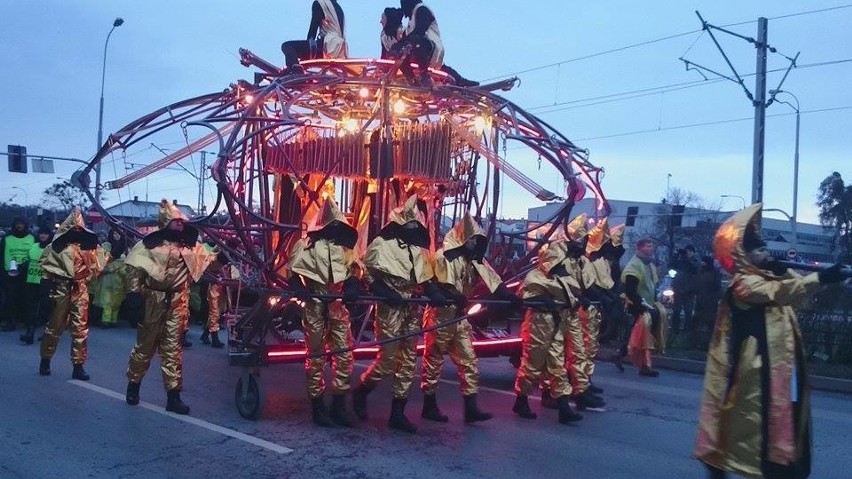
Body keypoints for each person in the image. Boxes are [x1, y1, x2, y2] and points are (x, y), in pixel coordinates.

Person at [694, 203, 846, 479]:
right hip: (759, 373)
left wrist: (789, 272)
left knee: (788, 415)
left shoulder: (767, 279)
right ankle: (749, 464)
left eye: (765, 249)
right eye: (759, 251)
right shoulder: (743, 284)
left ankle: (785, 463)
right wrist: (820, 276)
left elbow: (794, 297)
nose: (766, 254)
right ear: (743, 256)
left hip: (784, 367)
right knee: (761, 423)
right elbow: (777, 292)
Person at [352, 194, 449, 433]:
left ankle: (398, 413)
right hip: (389, 309)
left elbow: (425, 277)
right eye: (410, 224)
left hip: (410, 308)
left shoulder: (418, 249)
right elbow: (370, 275)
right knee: (387, 360)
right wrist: (385, 292)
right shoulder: (381, 245)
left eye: (416, 225)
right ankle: (362, 391)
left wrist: (433, 292)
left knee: (408, 362)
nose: (413, 228)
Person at [420, 214, 518, 424]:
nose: (475, 243)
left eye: (477, 240)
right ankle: (429, 405)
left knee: (469, 361)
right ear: (463, 238)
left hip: (460, 318)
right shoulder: (441, 256)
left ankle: (471, 407)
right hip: (440, 316)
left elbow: (493, 281)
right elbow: (439, 284)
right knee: (434, 361)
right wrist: (452, 295)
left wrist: (511, 297)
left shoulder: (474, 261)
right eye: (472, 239)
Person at [123, 200, 218, 415]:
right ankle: (133, 386)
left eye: (180, 221)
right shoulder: (148, 244)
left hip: (177, 300)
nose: (178, 224)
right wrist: (134, 296)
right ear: (165, 221)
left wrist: (222, 253)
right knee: (144, 347)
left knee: (173, 350)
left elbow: (210, 262)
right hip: (152, 299)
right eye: (174, 220)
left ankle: (173, 397)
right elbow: (134, 271)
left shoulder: (190, 245)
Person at [288, 199, 361, 427]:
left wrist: (352, 285)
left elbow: (354, 270)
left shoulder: (345, 248)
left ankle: (339, 404)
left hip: (338, 306)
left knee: (345, 354)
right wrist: (299, 288)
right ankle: (318, 406)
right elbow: (293, 270)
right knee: (316, 356)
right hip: (315, 307)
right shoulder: (306, 245)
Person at [512, 235, 584, 425]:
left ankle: (564, 407)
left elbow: (574, 294)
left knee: (557, 365)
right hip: (538, 324)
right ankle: (521, 400)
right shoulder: (535, 276)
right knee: (532, 365)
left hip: (557, 324)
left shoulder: (562, 277)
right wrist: (543, 301)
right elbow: (523, 296)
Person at [38, 208, 108, 379]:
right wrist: (46, 293)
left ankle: (78, 366)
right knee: (54, 327)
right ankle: (45, 361)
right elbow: (45, 272)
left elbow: (101, 262)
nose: (76, 231)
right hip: (60, 289)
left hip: (80, 289)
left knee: (80, 330)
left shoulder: (90, 248)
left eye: (79, 228)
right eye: (73, 228)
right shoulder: (54, 247)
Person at [381, 5, 478, 87]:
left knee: (439, 67)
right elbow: (384, 57)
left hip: (418, 61)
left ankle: (460, 82)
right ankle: (415, 83)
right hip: (403, 71)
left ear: (389, 20)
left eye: (383, 18)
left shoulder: (404, 32)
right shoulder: (383, 37)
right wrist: (382, 72)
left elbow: (415, 42)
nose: (380, 21)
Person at [621, 238, 668, 377]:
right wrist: (640, 305)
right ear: (639, 247)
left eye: (652, 245)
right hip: (639, 306)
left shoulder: (648, 264)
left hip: (648, 305)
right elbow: (630, 290)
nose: (651, 248)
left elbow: (652, 285)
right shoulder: (634, 265)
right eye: (648, 246)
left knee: (638, 335)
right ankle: (645, 366)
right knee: (644, 336)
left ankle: (620, 354)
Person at [281, 0, 347, 71]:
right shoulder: (337, 7)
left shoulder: (320, 3)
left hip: (327, 46)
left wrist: (307, 47)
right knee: (302, 57)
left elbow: (313, 29)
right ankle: (296, 67)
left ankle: (295, 71)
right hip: (340, 51)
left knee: (287, 46)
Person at [0, 217, 35, 331]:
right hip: (9, 272)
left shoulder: (32, 237)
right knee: (10, 298)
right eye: (17, 224)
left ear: (25, 225)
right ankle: (10, 321)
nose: (19, 226)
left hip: (27, 272)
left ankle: (25, 320)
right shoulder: (6, 238)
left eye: (21, 224)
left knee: (26, 297)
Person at [20, 227, 53, 345]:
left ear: (49, 235)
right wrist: (20, 266)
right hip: (32, 279)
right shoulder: (34, 246)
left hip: (46, 281)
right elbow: (29, 260)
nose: (43, 236)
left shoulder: (52, 248)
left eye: (45, 234)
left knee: (45, 308)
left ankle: (47, 333)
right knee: (31, 307)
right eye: (41, 234)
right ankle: (30, 333)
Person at [94, 228, 129, 328]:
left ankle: (113, 320)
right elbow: (100, 261)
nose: (116, 236)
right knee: (107, 301)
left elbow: (127, 264)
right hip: (107, 279)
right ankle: (105, 321)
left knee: (117, 301)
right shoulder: (106, 246)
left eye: (119, 234)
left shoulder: (126, 248)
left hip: (119, 279)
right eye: (114, 233)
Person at [693, 255, 722, 349]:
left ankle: (707, 344)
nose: (702, 263)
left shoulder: (712, 272)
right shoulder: (702, 271)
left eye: (703, 261)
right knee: (699, 323)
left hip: (709, 302)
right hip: (703, 301)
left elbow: (716, 286)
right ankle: (698, 343)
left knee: (709, 324)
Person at [671, 245, 699, 334]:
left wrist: (687, 259)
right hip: (678, 289)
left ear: (693, 252)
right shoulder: (679, 260)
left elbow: (695, 269)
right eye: (687, 251)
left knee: (688, 312)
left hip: (690, 291)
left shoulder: (695, 261)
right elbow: (671, 266)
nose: (688, 253)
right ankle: (675, 330)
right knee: (676, 310)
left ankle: (687, 331)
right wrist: (676, 256)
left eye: (690, 251)